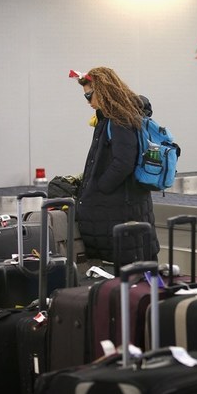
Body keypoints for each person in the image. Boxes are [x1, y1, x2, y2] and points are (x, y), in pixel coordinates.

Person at [69, 67, 160, 266]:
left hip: (119, 207)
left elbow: (123, 162)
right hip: (127, 204)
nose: (88, 102)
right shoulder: (118, 116)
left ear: (102, 91)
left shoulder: (119, 119)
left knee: (127, 274)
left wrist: (100, 187)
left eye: (89, 95)